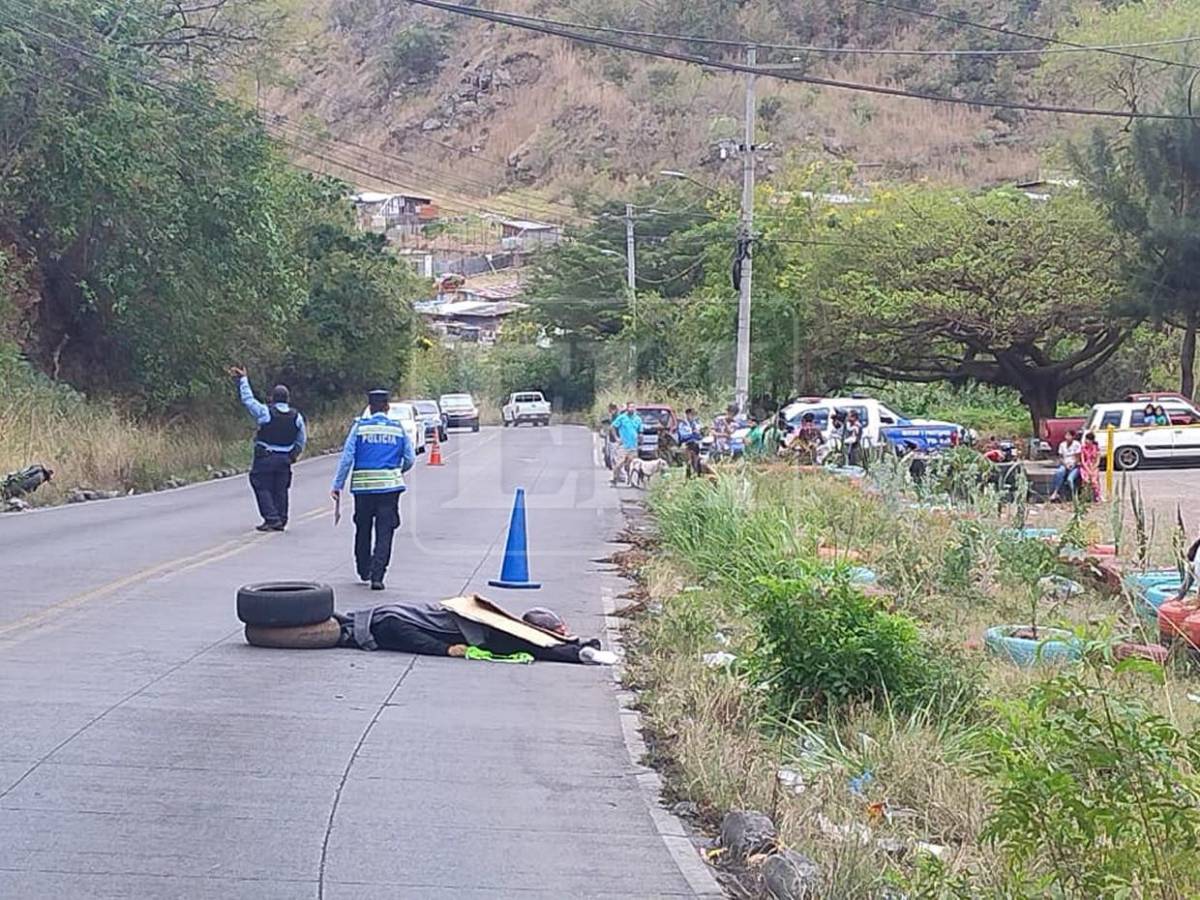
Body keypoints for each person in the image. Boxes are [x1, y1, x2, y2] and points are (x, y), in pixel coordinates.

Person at [336, 601, 617, 665]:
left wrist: (443, 650)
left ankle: (579, 650)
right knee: (527, 644)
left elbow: (409, 635)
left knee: (524, 642)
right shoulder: (382, 618)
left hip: (465, 628)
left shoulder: (384, 621)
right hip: (466, 628)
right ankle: (580, 650)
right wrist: (446, 649)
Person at [330, 389, 415, 591]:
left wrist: (337, 485)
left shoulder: (359, 427)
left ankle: (363, 569)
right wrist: (395, 471)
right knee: (385, 531)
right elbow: (410, 458)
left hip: (363, 489)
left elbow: (347, 458)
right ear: (387, 407)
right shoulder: (398, 428)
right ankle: (378, 576)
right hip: (389, 489)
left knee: (363, 527)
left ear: (369, 407)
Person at [230, 366, 306, 532]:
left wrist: (243, 381)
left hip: (265, 457)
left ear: (272, 398)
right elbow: (301, 440)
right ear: (287, 399)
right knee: (281, 489)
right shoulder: (297, 416)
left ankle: (271, 518)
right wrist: (293, 455)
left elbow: (248, 401)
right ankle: (281, 518)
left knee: (261, 485)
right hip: (285, 457)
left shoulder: (266, 412)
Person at [609, 402, 642, 486]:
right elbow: (612, 427)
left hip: (633, 446)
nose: (632, 409)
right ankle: (614, 479)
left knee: (632, 465)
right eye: (630, 407)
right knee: (619, 463)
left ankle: (631, 481)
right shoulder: (622, 418)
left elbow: (640, 431)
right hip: (623, 445)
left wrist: (640, 440)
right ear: (627, 408)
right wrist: (617, 438)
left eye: (633, 407)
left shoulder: (638, 419)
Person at [1048, 429, 1082, 501]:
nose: (1067, 437)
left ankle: (1073, 496)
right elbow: (1060, 457)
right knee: (1059, 472)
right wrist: (1065, 464)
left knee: (1070, 479)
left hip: (1074, 465)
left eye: (1069, 435)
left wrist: (1073, 464)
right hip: (1064, 464)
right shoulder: (1062, 445)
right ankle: (1055, 492)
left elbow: (1078, 458)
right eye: (1066, 435)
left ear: (1073, 437)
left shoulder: (1077, 445)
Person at [677, 407, 703, 476]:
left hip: (695, 444)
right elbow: (683, 436)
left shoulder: (696, 423)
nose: (692, 416)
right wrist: (693, 434)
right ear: (687, 414)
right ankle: (688, 472)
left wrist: (695, 434)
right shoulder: (682, 424)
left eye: (693, 415)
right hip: (686, 444)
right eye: (691, 414)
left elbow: (699, 435)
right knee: (688, 457)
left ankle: (697, 471)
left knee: (698, 457)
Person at [1079, 430, 1102, 501]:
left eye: (1088, 439)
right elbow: (1083, 460)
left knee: (1094, 481)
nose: (1086, 441)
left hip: (1093, 466)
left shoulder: (1096, 448)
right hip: (1085, 467)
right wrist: (1087, 469)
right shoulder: (1083, 448)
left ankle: (1098, 496)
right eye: (1086, 439)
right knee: (1085, 480)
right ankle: (1085, 496)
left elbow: (1098, 461)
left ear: (1092, 441)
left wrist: (1093, 468)